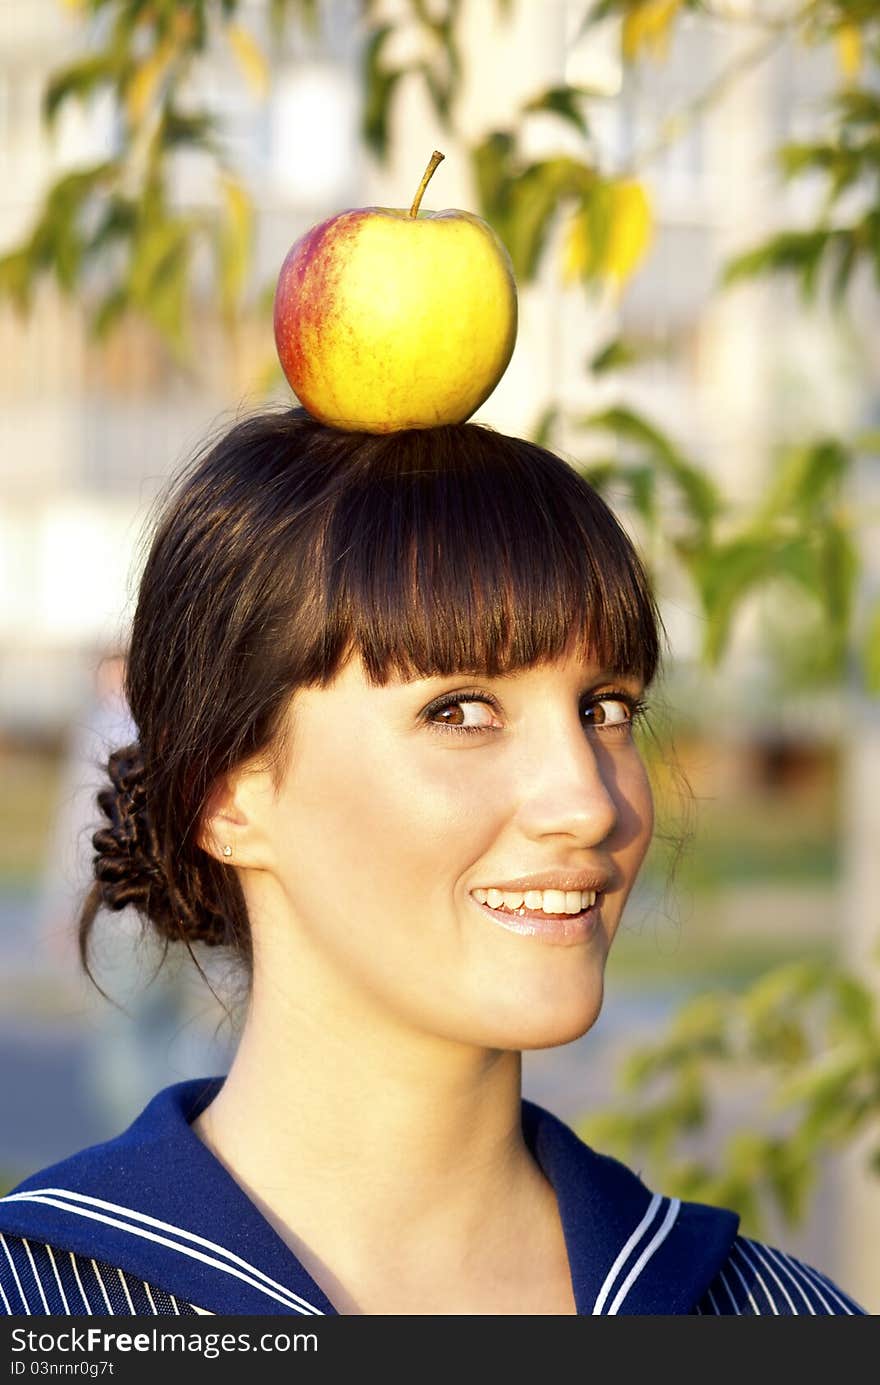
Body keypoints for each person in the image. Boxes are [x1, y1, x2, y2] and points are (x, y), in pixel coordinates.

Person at [0, 409, 866, 1316]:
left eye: (605, 708)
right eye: (461, 711)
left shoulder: (773, 1312)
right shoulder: (45, 1308)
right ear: (226, 793)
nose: (589, 801)